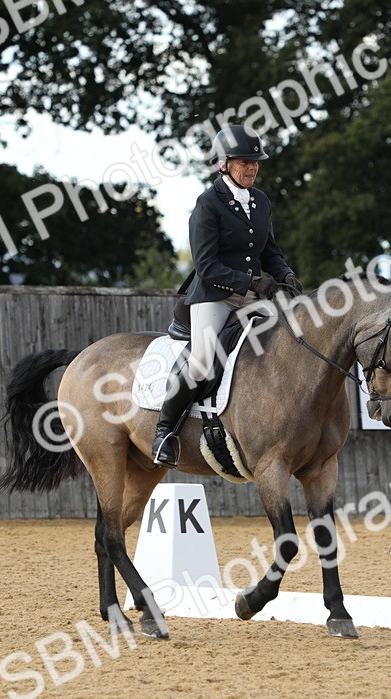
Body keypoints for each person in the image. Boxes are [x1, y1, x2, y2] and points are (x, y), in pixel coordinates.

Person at [152, 125, 303, 467]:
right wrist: (255, 284)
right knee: (204, 358)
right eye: (243, 162)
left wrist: (284, 274)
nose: (251, 168)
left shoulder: (261, 201)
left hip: (253, 296)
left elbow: (270, 252)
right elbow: (206, 267)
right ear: (223, 164)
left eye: (255, 162)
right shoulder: (207, 205)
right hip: (214, 297)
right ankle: (164, 432)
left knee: (289, 341)